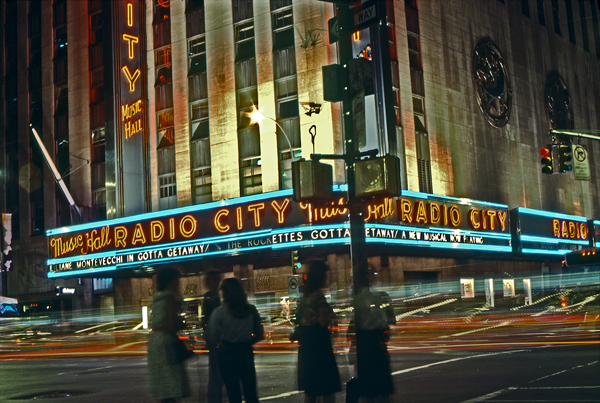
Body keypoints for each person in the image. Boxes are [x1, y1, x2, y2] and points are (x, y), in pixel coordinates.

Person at [207, 277, 264, 403]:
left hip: (227, 353)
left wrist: (217, 346)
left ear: (224, 293)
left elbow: (212, 336)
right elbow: (261, 334)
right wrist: (249, 341)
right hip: (245, 351)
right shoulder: (251, 310)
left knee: (233, 392)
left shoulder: (219, 313)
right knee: (250, 392)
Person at [295, 260, 341, 403]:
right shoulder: (318, 297)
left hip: (307, 346)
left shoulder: (305, 297)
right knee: (327, 387)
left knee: (311, 390)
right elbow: (323, 321)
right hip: (320, 345)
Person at [147, 267, 191, 403]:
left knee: (162, 384)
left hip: (155, 341)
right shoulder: (171, 297)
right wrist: (183, 323)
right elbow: (172, 325)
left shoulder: (156, 298)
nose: (179, 284)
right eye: (177, 281)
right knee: (171, 381)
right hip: (166, 343)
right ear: (170, 281)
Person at [353, 269, 395, 403]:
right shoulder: (382, 296)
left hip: (364, 344)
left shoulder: (357, 300)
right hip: (378, 341)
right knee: (382, 385)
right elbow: (392, 319)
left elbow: (354, 324)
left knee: (368, 386)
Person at [201, 270, 224, 403]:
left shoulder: (211, 296)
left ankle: (216, 397)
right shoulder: (213, 296)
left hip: (215, 338)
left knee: (215, 372)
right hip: (217, 337)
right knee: (217, 372)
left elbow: (206, 319)